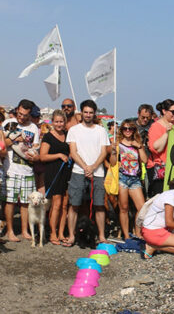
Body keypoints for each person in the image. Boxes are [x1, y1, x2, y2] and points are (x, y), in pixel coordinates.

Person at [64, 100, 110, 247]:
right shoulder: (74, 130)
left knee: (99, 205)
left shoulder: (101, 130)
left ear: (94, 113)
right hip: (78, 171)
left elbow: (104, 152)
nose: (88, 115)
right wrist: (85, 167)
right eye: (86, 112)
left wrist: (93, 167)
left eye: (91, 112)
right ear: (81, 113)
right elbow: (73, 151)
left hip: (97, 173)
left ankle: (101, 236)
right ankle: (71, 236)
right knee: (74, 204)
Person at [3, 100, 40, 242]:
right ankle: (10, 231)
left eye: (25, 115)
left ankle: (25, 230)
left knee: (25, 203)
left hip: (28, 169)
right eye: (20, 114)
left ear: (30, 114)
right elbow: (2, 143)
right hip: (11, 169)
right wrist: (15, 139)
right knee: (10, 201)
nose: (21, 117)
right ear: (17, 110)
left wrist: (33, 150)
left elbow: (36, 145)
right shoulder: (9, 123)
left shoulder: (34, 128)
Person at [39, 109, 72, 245]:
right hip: (53, 172)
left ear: (65, 122)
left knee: (65, 204)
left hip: (66, 172)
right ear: (53, 122)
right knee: (56, 204)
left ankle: (61, 232)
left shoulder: (68, 134)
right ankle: (52, 232)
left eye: (61, 121)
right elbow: (42, 156)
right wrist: (58, 155)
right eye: (57, 121)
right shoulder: (48, 136)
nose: (59, 124)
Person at [114, 118, 147, 240]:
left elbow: (145, 160)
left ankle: (137, 232)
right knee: (124, 208)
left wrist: (139, 147)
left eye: (130, 129)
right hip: (122, 177)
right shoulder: (117, 144)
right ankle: (127, 236)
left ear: (134, 130)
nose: (128, 131)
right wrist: (113, 152)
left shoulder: (137, 143)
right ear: (122, 130)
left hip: (134, 178)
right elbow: (112, 162)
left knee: (142, 208)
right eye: (125, 128)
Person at [146, 99, 174, 197]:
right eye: (173, 112)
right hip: (159, 170)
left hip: (172, 168)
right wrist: (167, 133)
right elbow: (156, 149)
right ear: (164, 111)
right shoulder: (155, 127)